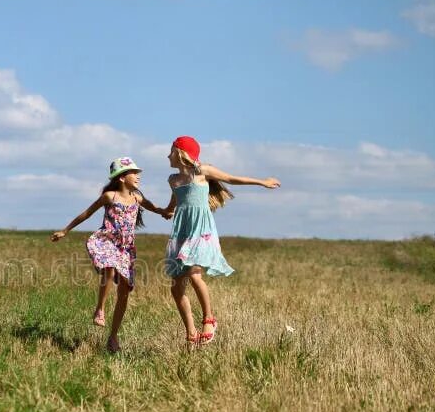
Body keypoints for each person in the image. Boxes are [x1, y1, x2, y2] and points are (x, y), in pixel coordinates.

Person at [162, 136, 280, 345]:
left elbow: (232, 178)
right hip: (182, 231)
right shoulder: (173, 180)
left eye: (171, 151)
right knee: (176, 288)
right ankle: (191, 334)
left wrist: (262, 182)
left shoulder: (202, 171)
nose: (168, 155)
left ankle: (209, 319)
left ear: (181, 153)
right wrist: (165, 211)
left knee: (195, 274)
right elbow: (174, 203)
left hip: (201, 230)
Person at [51, 157, 168, 353]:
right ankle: (100, 308)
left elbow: (156, 208)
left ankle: (113, 337)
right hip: (107, 241)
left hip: (126, 248)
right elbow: (86, 213)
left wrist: (166, 211)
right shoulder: (109, 196)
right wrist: (65, 230)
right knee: (110, 269)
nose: (138, 176)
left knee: (124, 292)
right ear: (122, 178)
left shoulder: (137, 198)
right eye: (133, 173)